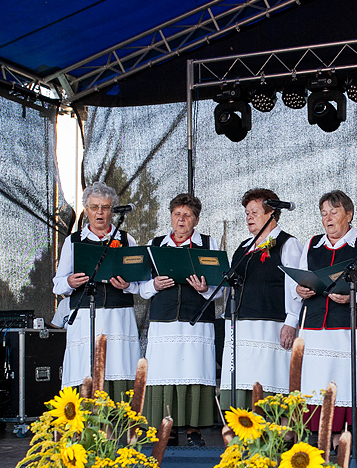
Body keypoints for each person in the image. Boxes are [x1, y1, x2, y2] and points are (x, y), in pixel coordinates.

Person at [295, 190, 357, 436]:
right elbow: (300, 282)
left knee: (344, 385)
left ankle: (340, 438)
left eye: (334, 212)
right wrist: (300, 289)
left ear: (349, 214)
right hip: (315, 328)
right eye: (324, 213)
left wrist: (353, 297)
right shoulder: (312, 244)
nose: (328, 218)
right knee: (316, 384)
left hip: (349, 329)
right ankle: (321, 437)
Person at [138, 193, 221, 446]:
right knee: (166, 373)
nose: (181, 220)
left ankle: (194, 430)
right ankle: (167, 429)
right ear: (171, 217)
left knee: (193, 371)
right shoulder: (156, 244)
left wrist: (204, 288)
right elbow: (141, 289)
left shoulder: (209, 243)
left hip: (197, 322)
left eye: (187, 215)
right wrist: (154, 284)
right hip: (164, 323)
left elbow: (221, 286)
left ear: (196, 220)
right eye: (177, 214)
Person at [52, 182, 141, 401]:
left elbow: (139, 283)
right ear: (86, 210)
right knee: (86, 366)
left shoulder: (127, 239)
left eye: (105, 207)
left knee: (118, 364)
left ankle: (119, 420)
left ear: (112, 210)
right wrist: (71, 282)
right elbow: (57, 284)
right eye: (94, 207)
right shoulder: (73, 241)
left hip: (118, 315)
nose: (99, 212)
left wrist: (127, 285)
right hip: (85, 315)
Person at [220, 188, 303, 409]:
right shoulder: (243, 247)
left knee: (270, 384)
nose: (248, 217)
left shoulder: (288, 244)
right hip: (240, 325)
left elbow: (296, 287)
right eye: (247, 213)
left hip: (270, 326)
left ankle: (278, 435)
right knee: (243, 383)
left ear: (271, 214)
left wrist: (291, 322)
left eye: (254, 212)